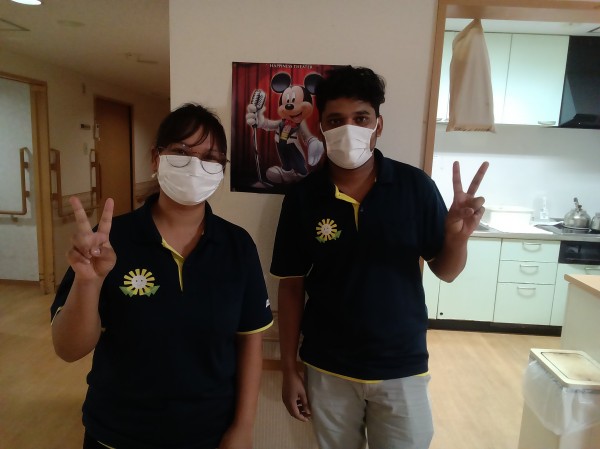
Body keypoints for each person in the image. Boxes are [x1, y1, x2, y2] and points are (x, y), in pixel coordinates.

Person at [270, 66, 489, 449]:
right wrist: (289, 369)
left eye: (361, 118)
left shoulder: (415, 187)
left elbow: (446, 271)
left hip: (401, 365)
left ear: (378, 125)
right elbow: (290, 286)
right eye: (336, 120)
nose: (349, 129)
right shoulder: (303, 198)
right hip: (327, 366)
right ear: (321, 127)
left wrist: (458, 239)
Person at [51, 103, 273, 449]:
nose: (196, 166)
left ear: (221, 170)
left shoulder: (237, 246)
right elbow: (68, 349)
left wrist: (243, 427)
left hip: (209, 435)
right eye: (182, 152)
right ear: (156, 158)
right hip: (119, 434)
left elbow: (249, 342)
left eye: (210, 158)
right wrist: (88, 281)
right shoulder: (109, 242)